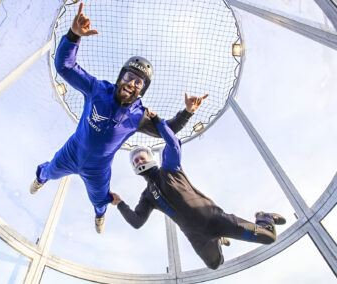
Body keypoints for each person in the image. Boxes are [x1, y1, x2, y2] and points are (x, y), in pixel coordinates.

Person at [30, 3, 204, 234]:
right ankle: (40, 179)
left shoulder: (139, 116)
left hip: (98, 168)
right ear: (120, 77)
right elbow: (65, 66)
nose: (131, 83)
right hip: (72, 152)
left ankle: (100, 214)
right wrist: (74, 36)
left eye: (138, 82)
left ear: (142, 91)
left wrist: (188, 112)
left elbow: (169, 129)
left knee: (100, 198)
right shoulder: (97, 89)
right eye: (129, 76)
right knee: (49, 170)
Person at [110, 110, 286, 270]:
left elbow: (173, 143)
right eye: (135, 161)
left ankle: (264, 216)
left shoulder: (169, 169)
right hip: (196, 235)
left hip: (216, 219)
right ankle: (219, 239)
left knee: (269, 237)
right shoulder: (147, 196)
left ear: (150, 158)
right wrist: (119, 204)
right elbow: (136, 222)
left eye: (141, 158)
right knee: (215, 264)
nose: (138, 162)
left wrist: (157, 121)